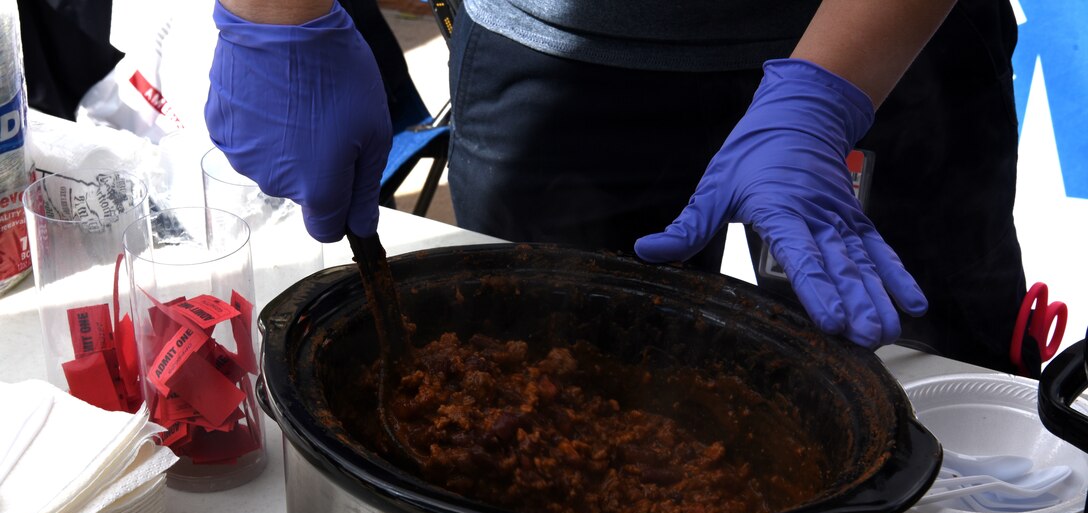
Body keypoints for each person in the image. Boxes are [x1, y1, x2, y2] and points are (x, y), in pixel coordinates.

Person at [205, 0, 1028, 372]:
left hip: (888, 44)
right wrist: (278, 12)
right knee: (526, 372)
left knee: (932, 395)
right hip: (559, 67)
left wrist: (825, 93)